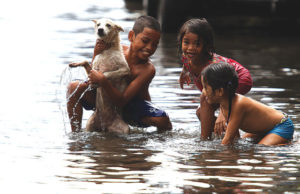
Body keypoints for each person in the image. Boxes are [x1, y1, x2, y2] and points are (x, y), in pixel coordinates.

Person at [67, 16, 172, 132]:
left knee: (163, 120)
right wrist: (96, 53)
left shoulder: (147, 69)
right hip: (104, 98)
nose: (149, 47)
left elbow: (122, 101)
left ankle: (158, 141)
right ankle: (75, 136)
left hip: (130, 104)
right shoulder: (115, 50)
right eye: (145, 41)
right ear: (131, 36)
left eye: (155, 44)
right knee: (74, 87)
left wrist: (103, 81)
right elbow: (94, 75)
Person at [177, 18, 252, 140]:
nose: (190, 48)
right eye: (186, 42)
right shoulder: (187, 57)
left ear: (206, 46)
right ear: (181, 42)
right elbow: (186, 62)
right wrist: (184, 72)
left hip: (239, 78)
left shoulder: (211, 66)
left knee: (205, 98)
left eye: (197, 44)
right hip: (221, 84)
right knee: (201, 112)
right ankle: (233, 137)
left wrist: (223, 113)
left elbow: (225, 91)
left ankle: (204, 142)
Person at [201, 62, 294, 145]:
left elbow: (227, 140)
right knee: (245, 141)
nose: (203, 91)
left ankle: (287, 143)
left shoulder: (239, 105)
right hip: (264, 129)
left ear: (220, 91)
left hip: (282, 125)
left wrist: (214, 156)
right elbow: (234, 137)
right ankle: (274, 138)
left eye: (205, 87)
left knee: (262, 148)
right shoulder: (224, 104)